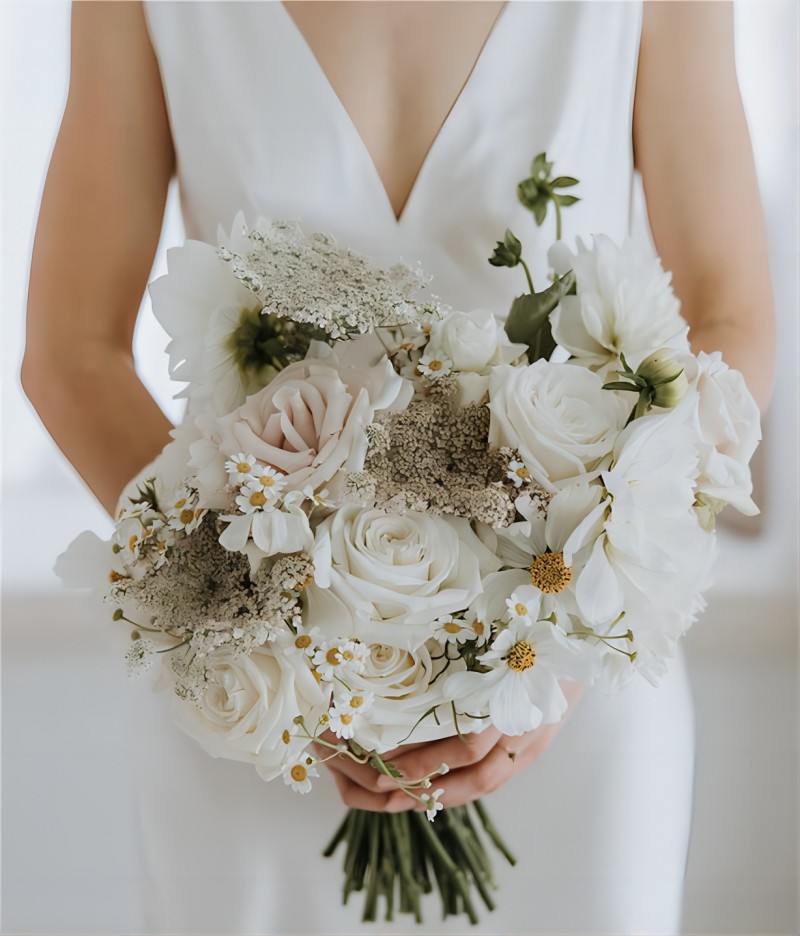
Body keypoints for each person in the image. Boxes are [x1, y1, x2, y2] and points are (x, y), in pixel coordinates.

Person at [21, 2, 775, 932]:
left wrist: (557, 645)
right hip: (269, 722)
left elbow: (728, 316)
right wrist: (264, 618)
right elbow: (70, 352)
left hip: (569, 698)